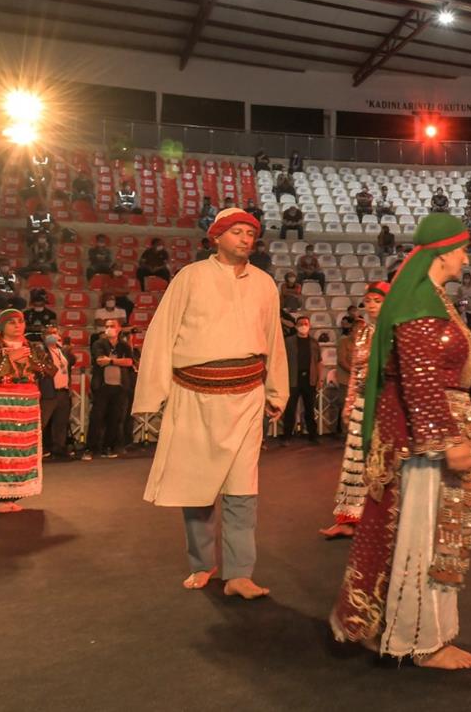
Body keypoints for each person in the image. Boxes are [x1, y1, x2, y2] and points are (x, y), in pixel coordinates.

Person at [330, 213, 471, 669]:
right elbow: (419, 379)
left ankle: (409, 631)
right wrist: (445, 439)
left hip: (426, 434)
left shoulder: (428, 297)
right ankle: (420, 641)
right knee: (423, 538)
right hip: (421, 444)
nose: (466, 256)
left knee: (419, 536)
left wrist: (468, 428)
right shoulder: (420, 301)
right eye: (462, 248)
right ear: (443, 252)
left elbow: (437, 377)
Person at [132, 208, 288, 599]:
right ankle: (203, 564)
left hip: (247, 396)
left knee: (242, 487)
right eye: (236, 232)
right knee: (195, 485)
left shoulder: (265, 283)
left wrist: (276, 390)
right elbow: (162, 332)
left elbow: (273, 341)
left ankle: (239, 573)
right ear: (216, 237)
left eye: (250, 233)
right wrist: (153, 394)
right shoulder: (190, 277)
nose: (245, 239)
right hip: (194, 395)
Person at [0, 309, 55, 513]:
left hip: (26, 407)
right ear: (2, 326)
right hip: (0, 406)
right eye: (11, 322)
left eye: (21, 321)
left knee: (22, 452)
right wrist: (9, 360)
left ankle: (12, 496)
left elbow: (50, 369)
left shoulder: (32, 347)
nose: (17, 326)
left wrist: (31, 363)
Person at [319, 281, 388, 539]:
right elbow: (357, 372)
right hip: (362, 402)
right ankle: (348, 519)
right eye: (368, 301)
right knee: (354, 461)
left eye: (377, 301)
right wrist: (350, 403)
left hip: (383, 404)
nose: (371, 305)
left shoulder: (394, 331)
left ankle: (380, 520)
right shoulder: (361, 333)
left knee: (382, 462)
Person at [86, 318, 135, 461]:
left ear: (119, 328)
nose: (109, 328)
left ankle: (109, 447)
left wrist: (112, 361)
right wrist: (119, 361)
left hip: (120, 387)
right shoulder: (98, 344)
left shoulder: (124, 346)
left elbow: (130, 362)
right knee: (97, 418)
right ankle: (92, 448)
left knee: (115, 419)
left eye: (112, 326)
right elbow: (100, 361)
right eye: (107, 326)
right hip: (102, 387)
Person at [281, 315, 323, 444]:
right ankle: (287, 437)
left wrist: (319, 379)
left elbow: (319, 362)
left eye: (305, 323)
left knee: (310, 409)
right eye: (300, 323)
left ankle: (313, 436)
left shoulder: (314, 342)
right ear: (295, 326)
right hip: (293, 379)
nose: (303, 326)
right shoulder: (288, 342)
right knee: (290, 409)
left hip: (309, 380)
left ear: (309, 326)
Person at [38, 328, 74, 460]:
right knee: (43, 422)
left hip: (63, 390)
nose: (53, 336)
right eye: (50, 334)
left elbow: (71, 363)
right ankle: (40, 449)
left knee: (61, 422)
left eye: (55, 333)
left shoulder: (62, 351)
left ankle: (58, 448)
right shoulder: (42, 350)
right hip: (49, 391)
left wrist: (67, 349)